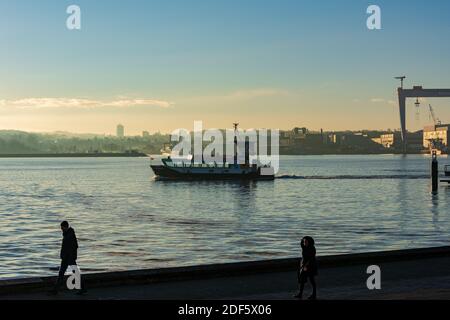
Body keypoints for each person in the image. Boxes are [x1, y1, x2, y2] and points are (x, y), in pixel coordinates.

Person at [48, 221, 86, 295]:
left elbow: (74, 246)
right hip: (66, 257)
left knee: (72, 273)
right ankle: (55, 290)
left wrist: (70, 256)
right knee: (62, 273)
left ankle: (83, 288)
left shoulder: (70, 234)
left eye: (62, 228)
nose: (61, 229)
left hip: (69, 257)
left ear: (65, 227)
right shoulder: (67, 234)